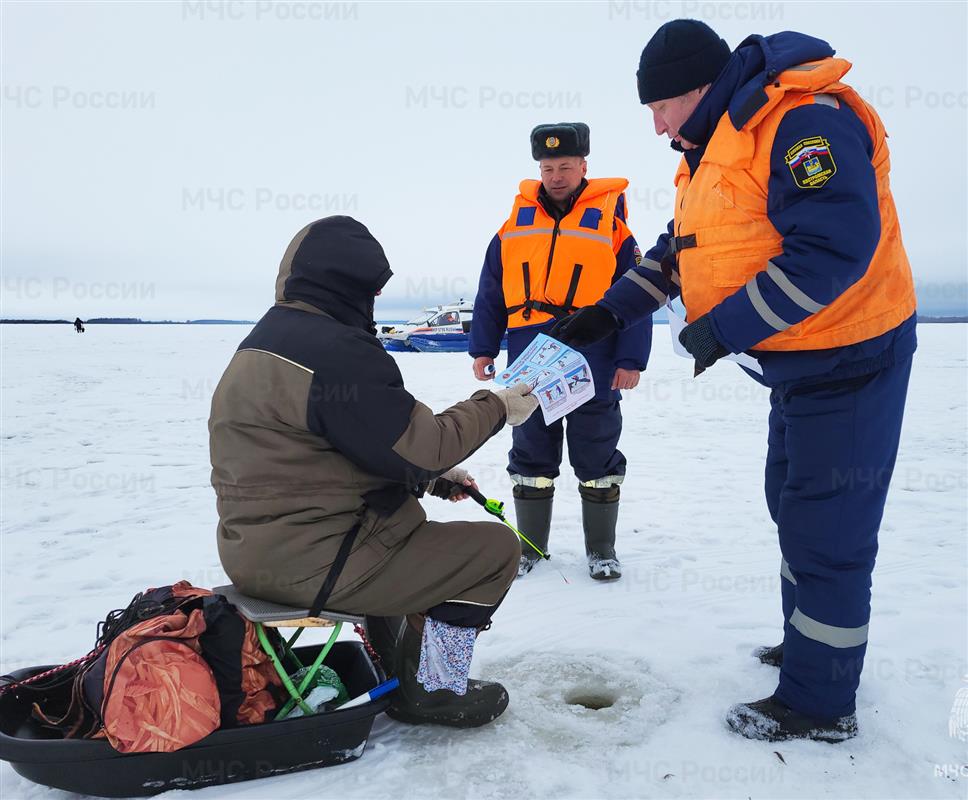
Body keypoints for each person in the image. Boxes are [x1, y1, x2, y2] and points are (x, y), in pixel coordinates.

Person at [552, 21, 916, 742]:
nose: (656, 127)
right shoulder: (716, 145)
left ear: (700, 87)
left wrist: (723, 328)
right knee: (791, 502)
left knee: (827, 529)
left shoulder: (804, 123)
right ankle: (812, 651)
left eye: (661, 107)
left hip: (852, 358)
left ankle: (820, 705)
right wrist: (603, 314)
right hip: (800, 369)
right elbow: (679, 252)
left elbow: (833, 252)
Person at [209, 216, 538, 728]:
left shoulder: (266, 341)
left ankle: (396, 660)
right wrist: (496, 406)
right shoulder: (335, 351)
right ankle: (433, 690)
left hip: (256, 549)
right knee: (494, 551)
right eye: (372, 293)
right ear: (351, 286)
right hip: (316, 560)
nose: (375, 305)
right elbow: (424, 445)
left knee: (399, 532)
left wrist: (432, 479)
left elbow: (336, 446)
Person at [469, 122, 652, 581]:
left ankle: (602, 550)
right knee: (530, 448)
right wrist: (482, 347)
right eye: (548, 167)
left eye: (565, 166)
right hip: (529, 355)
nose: (555, 175)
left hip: (595, 354)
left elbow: (639, 292)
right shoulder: (512, 227)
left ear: (584, 166)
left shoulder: (614, 228)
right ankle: (530, 549)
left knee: (597, 449)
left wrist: (631, 359)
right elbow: (491, 290)